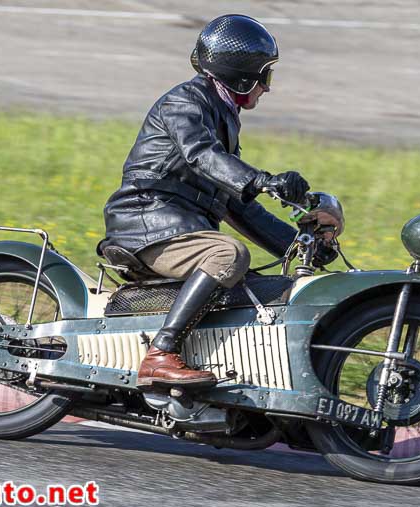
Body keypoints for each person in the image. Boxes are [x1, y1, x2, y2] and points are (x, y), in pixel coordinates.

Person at [98, 14, 333, 390]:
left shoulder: (222, 115)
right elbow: (201, 156)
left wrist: (299, 247)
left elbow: (237, 206)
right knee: (227, 255)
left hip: (179, 229)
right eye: (264, 76)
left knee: (262, 291)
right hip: (147, 224)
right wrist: (262, 179)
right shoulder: (184, 102)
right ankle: (160, 354)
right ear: (242, 76)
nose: (267, 88)